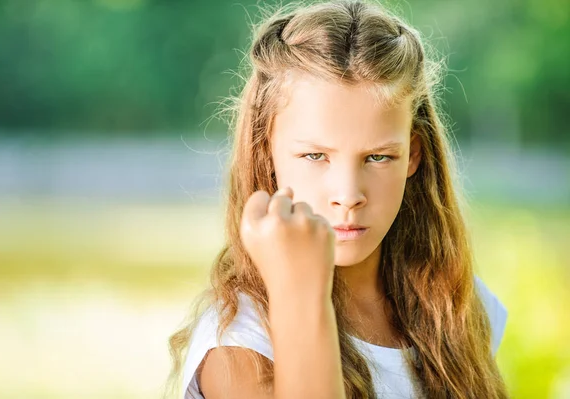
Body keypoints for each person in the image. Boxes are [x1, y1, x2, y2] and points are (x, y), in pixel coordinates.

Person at [167, 1, 509, 398]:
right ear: (267, 151)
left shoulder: (459, 307)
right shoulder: (239, 343)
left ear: (413, 154)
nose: (348, 196)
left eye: (378, 157)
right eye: (316, 156)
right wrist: (300, 290)